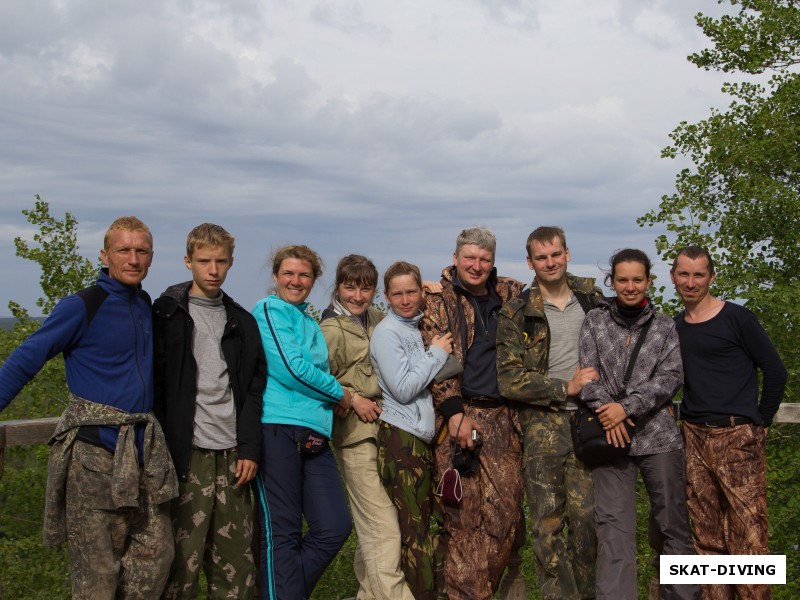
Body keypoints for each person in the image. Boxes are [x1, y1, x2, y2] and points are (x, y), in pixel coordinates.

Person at [0, 216, 177, 598]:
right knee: (97, 578)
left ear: (151, 256)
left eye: (141, 251)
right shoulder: (83, 306)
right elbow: (27, 357)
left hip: (144, 457)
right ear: (105, 255)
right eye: (124, 250)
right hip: (94, 457)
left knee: (156, 561)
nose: (133, 259)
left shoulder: (144, 303)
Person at [153, 223, 266, 599]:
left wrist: (249, 447)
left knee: (236, 566)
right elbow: (156, 385)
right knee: (180, 564)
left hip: (234, 455)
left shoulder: (243, 322)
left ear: (231, 263)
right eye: (204, 261)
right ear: (188, 262)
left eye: (220, 261)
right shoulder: (167, 315)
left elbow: (254, 387)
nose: (212, 270)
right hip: (186, 456)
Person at [578, 248, 697, 600]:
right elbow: (587, 376)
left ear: (648, 281)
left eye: (637, 280)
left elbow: (670, 377)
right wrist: (609, 412)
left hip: (658, 437)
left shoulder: (664, 326)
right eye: (622, 280)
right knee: (614, 530)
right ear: (611, 282)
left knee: (672, 526)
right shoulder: (595, 322)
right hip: (609, 439)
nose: (630, 286)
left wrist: (625, 409)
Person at [671, 246, 787, 600]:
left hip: (737, 435)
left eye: (699, 275)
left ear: (711, 277)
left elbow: (776, 370)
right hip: (693, 434)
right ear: (673, 276)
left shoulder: (737, 318)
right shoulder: (673, 326)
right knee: (705, 534)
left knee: (749, 534)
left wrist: (759, 422)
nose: (691, 283)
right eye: (684, 274)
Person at [420, 226, 525, 600]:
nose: (476, 266)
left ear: (493, 262)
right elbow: (436, 361)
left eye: (484, 259)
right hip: (459, 413)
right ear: (455, 258)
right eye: (470, 258)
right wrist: (454, 413)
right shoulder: (437, 300)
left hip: (503, 418)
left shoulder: (512, 294)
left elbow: (557, 286)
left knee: (505, 515)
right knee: (461, 518)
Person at [496, 225, 600, 600]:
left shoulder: (593, 301)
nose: (550, 262)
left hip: (589, 423)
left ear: (567, 254)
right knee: (546, 525)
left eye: (555, 254)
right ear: (530, 262)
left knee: (588, 523)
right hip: (543, 427)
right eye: (541, 257)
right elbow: (508, 379)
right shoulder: (517, 311)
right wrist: (562, 388)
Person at [252, 244, 352, 600]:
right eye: (289, 273)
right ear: (276, 276)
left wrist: (332, 396)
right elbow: (291, 369)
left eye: (304, 274)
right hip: (278, 427)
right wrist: (341, 395)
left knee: (335, 526)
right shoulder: (269, 310)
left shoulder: (308, 320)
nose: (296, 281)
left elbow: (314, 371)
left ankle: (280, 591)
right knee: (283, 532)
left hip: (315, 433)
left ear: (314, 279)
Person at [319, 255, 415, 600]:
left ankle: (367, 595)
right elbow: (317, 379)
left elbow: (409, 317)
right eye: (349, 287)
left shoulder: (376, 318)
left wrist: (435, 288)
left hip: (385, 430)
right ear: (338, 286)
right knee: (383, 527)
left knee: (372, 525)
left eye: (365, 288)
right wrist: (350, 397)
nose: (357, 296)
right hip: (354, 436)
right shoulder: (330, 329)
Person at [370, 261, 453, 599]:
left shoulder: (418, 326)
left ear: (421, 291)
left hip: (422, 439)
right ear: (386, 296)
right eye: (397, 293)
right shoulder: (388, 333)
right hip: (400, 440)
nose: (405, 300)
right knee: (414, 533)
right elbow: (403, 389)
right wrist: (436, 355)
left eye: (411, 291)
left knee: (439, 524)